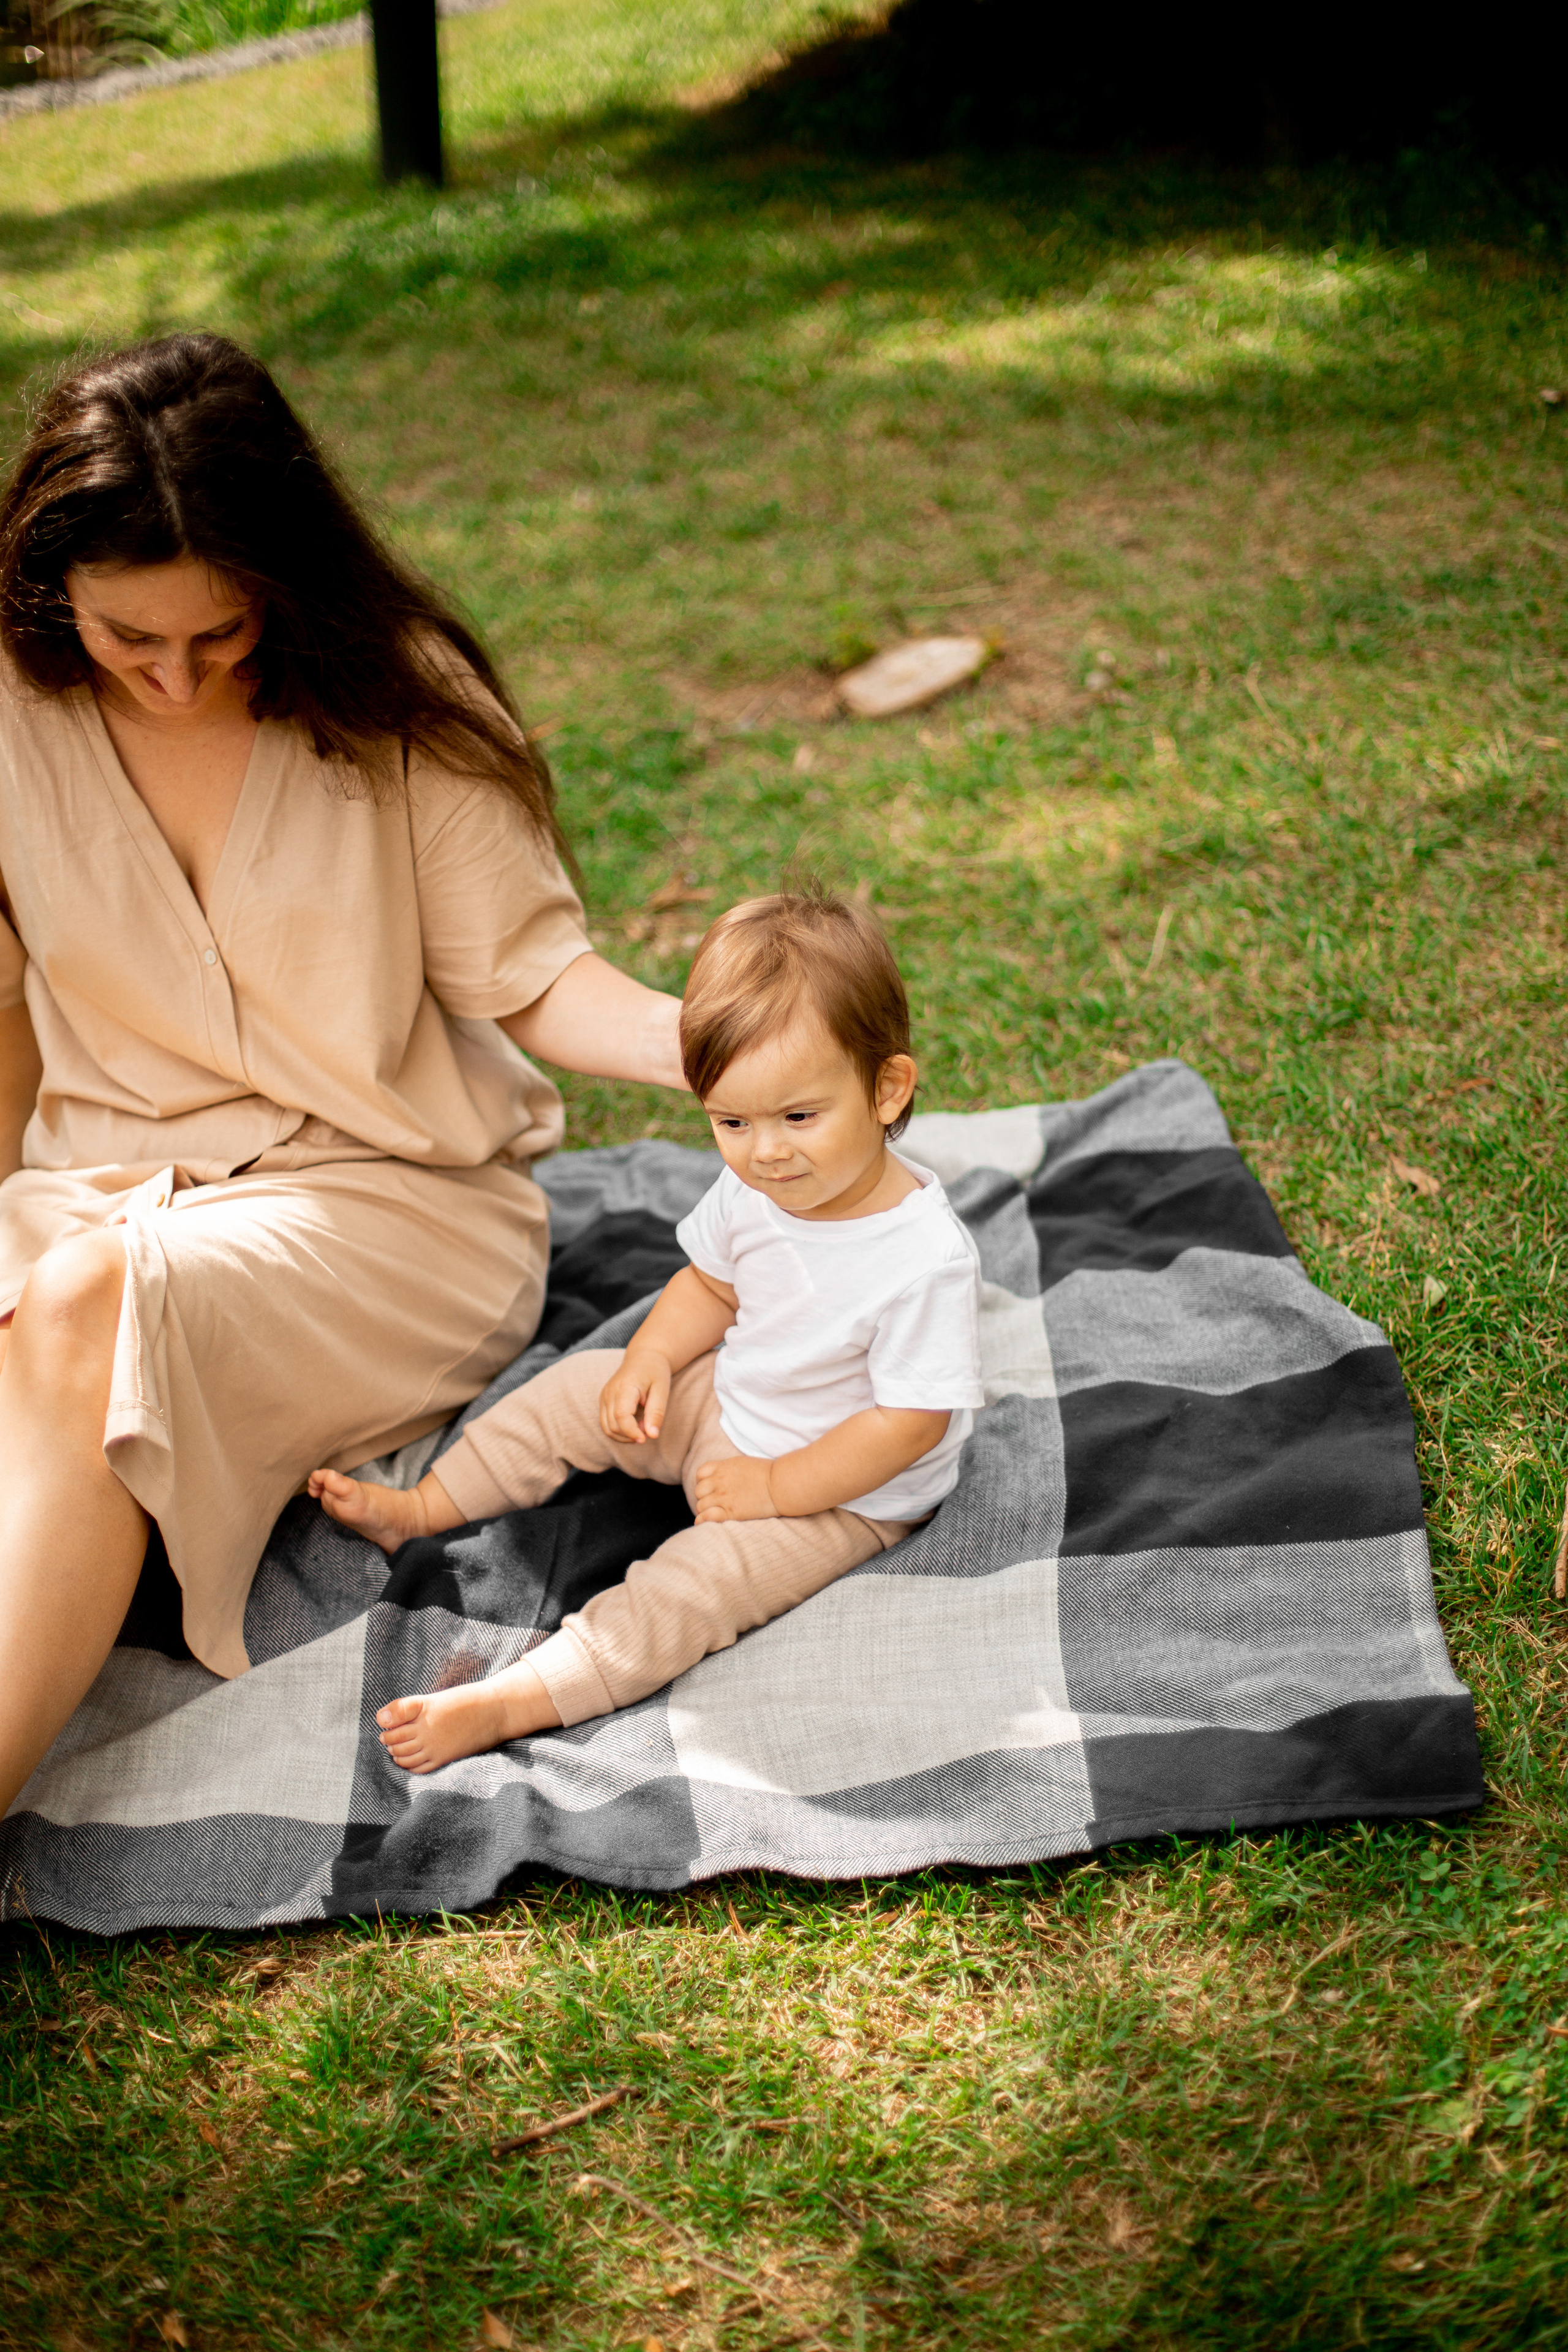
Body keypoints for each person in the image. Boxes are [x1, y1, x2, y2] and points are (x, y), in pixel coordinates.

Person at [0, 332, 686, 1825]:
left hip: (390, 1215)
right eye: (131, 640)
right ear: (55, 591)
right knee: (58, 1305)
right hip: (88, 1192)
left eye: (221, 634)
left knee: (86, 1307)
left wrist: (700, 1039)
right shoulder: (5, 704)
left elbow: (534, 976)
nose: (177, 678)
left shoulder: (389, 697)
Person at [311, 888, 986, 1770]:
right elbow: (710, 1283)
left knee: (689, 1590)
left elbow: (909, 1425)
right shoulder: (759, 1187)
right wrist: (654, 1358)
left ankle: (512, 1700)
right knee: (570, 1394)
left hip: (842, 1491)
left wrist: (775, 1488)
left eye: (799, 1117)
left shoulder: (920, 1257)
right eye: (731, 1122)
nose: (766, 1151)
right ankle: (424, 1509)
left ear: (887, 1089)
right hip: (735, 1399)